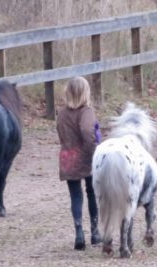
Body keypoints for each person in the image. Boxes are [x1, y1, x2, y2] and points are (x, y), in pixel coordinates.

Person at [56, 77, 101, 250]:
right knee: (91, 193)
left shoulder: (62, 113)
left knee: (75, 196)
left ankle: (79, 232)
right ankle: (95, 232)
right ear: (85, 92)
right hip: (86, 156)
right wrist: (94, 153)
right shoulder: (86, 112)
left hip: (68, 156)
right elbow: (88, 132)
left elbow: (60, 133)